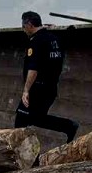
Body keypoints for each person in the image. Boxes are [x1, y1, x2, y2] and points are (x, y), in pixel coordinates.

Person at [13, 11, 79, 142]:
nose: (23, 29)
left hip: (37, 89)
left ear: (29, 24)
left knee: (20, 123)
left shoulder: (36, 41)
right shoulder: (54, 39)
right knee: (37, 118)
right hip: (51, 88)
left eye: (23, 25)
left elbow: (33, 69)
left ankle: (30, 160)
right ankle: (68, 126)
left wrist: (26, 90)